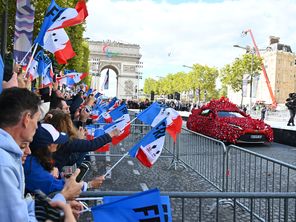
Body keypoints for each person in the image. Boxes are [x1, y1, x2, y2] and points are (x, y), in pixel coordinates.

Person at [0, 87, 81, 221]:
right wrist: (62, 197)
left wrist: (52, 207)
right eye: (37, 120)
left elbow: (19, 207)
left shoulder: (8, 158)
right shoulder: (4, 165)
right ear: (27, 119)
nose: (37, 127)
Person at [43, 109, 120, 171]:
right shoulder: (63, 140)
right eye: (66, 108)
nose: (69, 110)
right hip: (52, 174)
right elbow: (91, 145)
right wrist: (111, 134)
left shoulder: (42, 133)